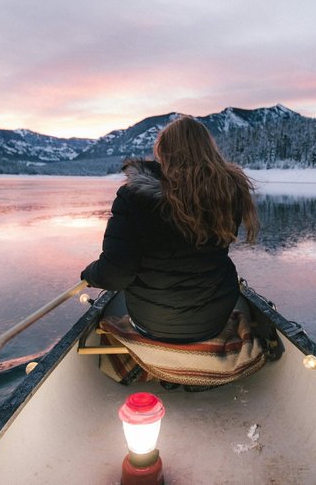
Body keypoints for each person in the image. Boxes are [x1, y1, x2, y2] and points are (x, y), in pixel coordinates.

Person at [81, 116, 259, 343]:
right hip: (213, 320)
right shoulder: (226, 194)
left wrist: (89, 274)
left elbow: (115, 275)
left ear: (163, 153)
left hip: (153, 324)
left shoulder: (134, 197)